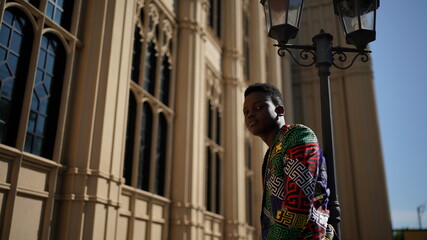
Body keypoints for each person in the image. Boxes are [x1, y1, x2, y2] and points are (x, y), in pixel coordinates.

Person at [243, 83, 334, 240]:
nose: (250, 114)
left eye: (258, 107)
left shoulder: (298, 135)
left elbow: (297, 207)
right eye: (246, 111)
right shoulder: (270, 154)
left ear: (279, 110)